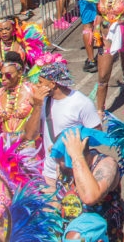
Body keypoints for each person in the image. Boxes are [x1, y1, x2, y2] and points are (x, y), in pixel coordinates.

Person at [26, 56, 102, 184]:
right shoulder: (42, 101)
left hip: (75, 173)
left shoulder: (82, 103)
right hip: (49, 173)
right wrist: (37, 106)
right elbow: (29, 135)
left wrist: (66, 145)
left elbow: (98, 135)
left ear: (52, 84)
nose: (36, 85)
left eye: (40, 82)